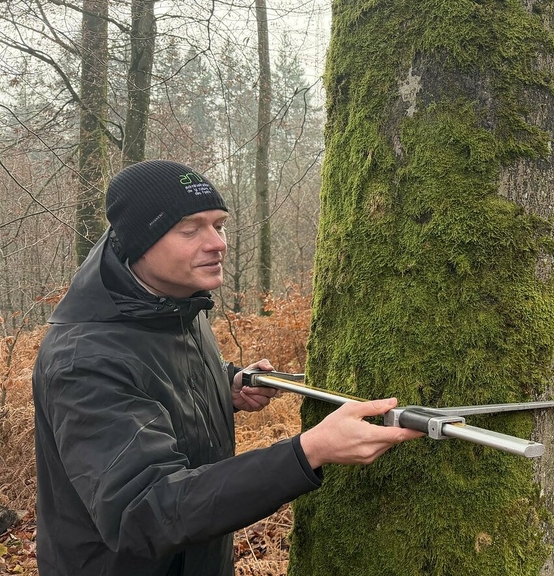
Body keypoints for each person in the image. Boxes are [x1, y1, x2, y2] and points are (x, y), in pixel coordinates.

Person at [32, 160, 423, 576]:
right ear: (138, 242)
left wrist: (226, 384)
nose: (217, 243)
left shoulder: (175, 305)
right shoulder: (84, 360)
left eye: (219, 225)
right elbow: (144, 510)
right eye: (191, 229)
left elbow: (157, 382)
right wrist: (308, 453)